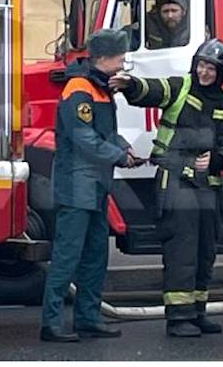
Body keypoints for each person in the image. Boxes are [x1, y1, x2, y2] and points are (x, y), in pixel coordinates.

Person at [110, 39, 223, 337]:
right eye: (201, 65)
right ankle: (179, 316)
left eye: (211, 68)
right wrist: (130, 85)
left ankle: (197, 311)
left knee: (205, 249)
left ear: (220, 72)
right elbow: (152, 89)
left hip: (208, 185)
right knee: (181, 248)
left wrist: (221, 158)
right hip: (176, 181)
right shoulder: (180, 86)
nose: (204, 73)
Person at [40, 27, 139, 343]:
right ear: (104, 57)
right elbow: (84, 139)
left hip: (95, 187)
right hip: (77, 187)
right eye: (120, 56)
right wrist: (119, 157)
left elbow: (106, 132)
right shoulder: (79, 89)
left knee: (96, 256)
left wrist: (122, 146)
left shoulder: (100, 87)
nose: (124, 61)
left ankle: (87, 318)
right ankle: (51, 324)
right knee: (68, 256)